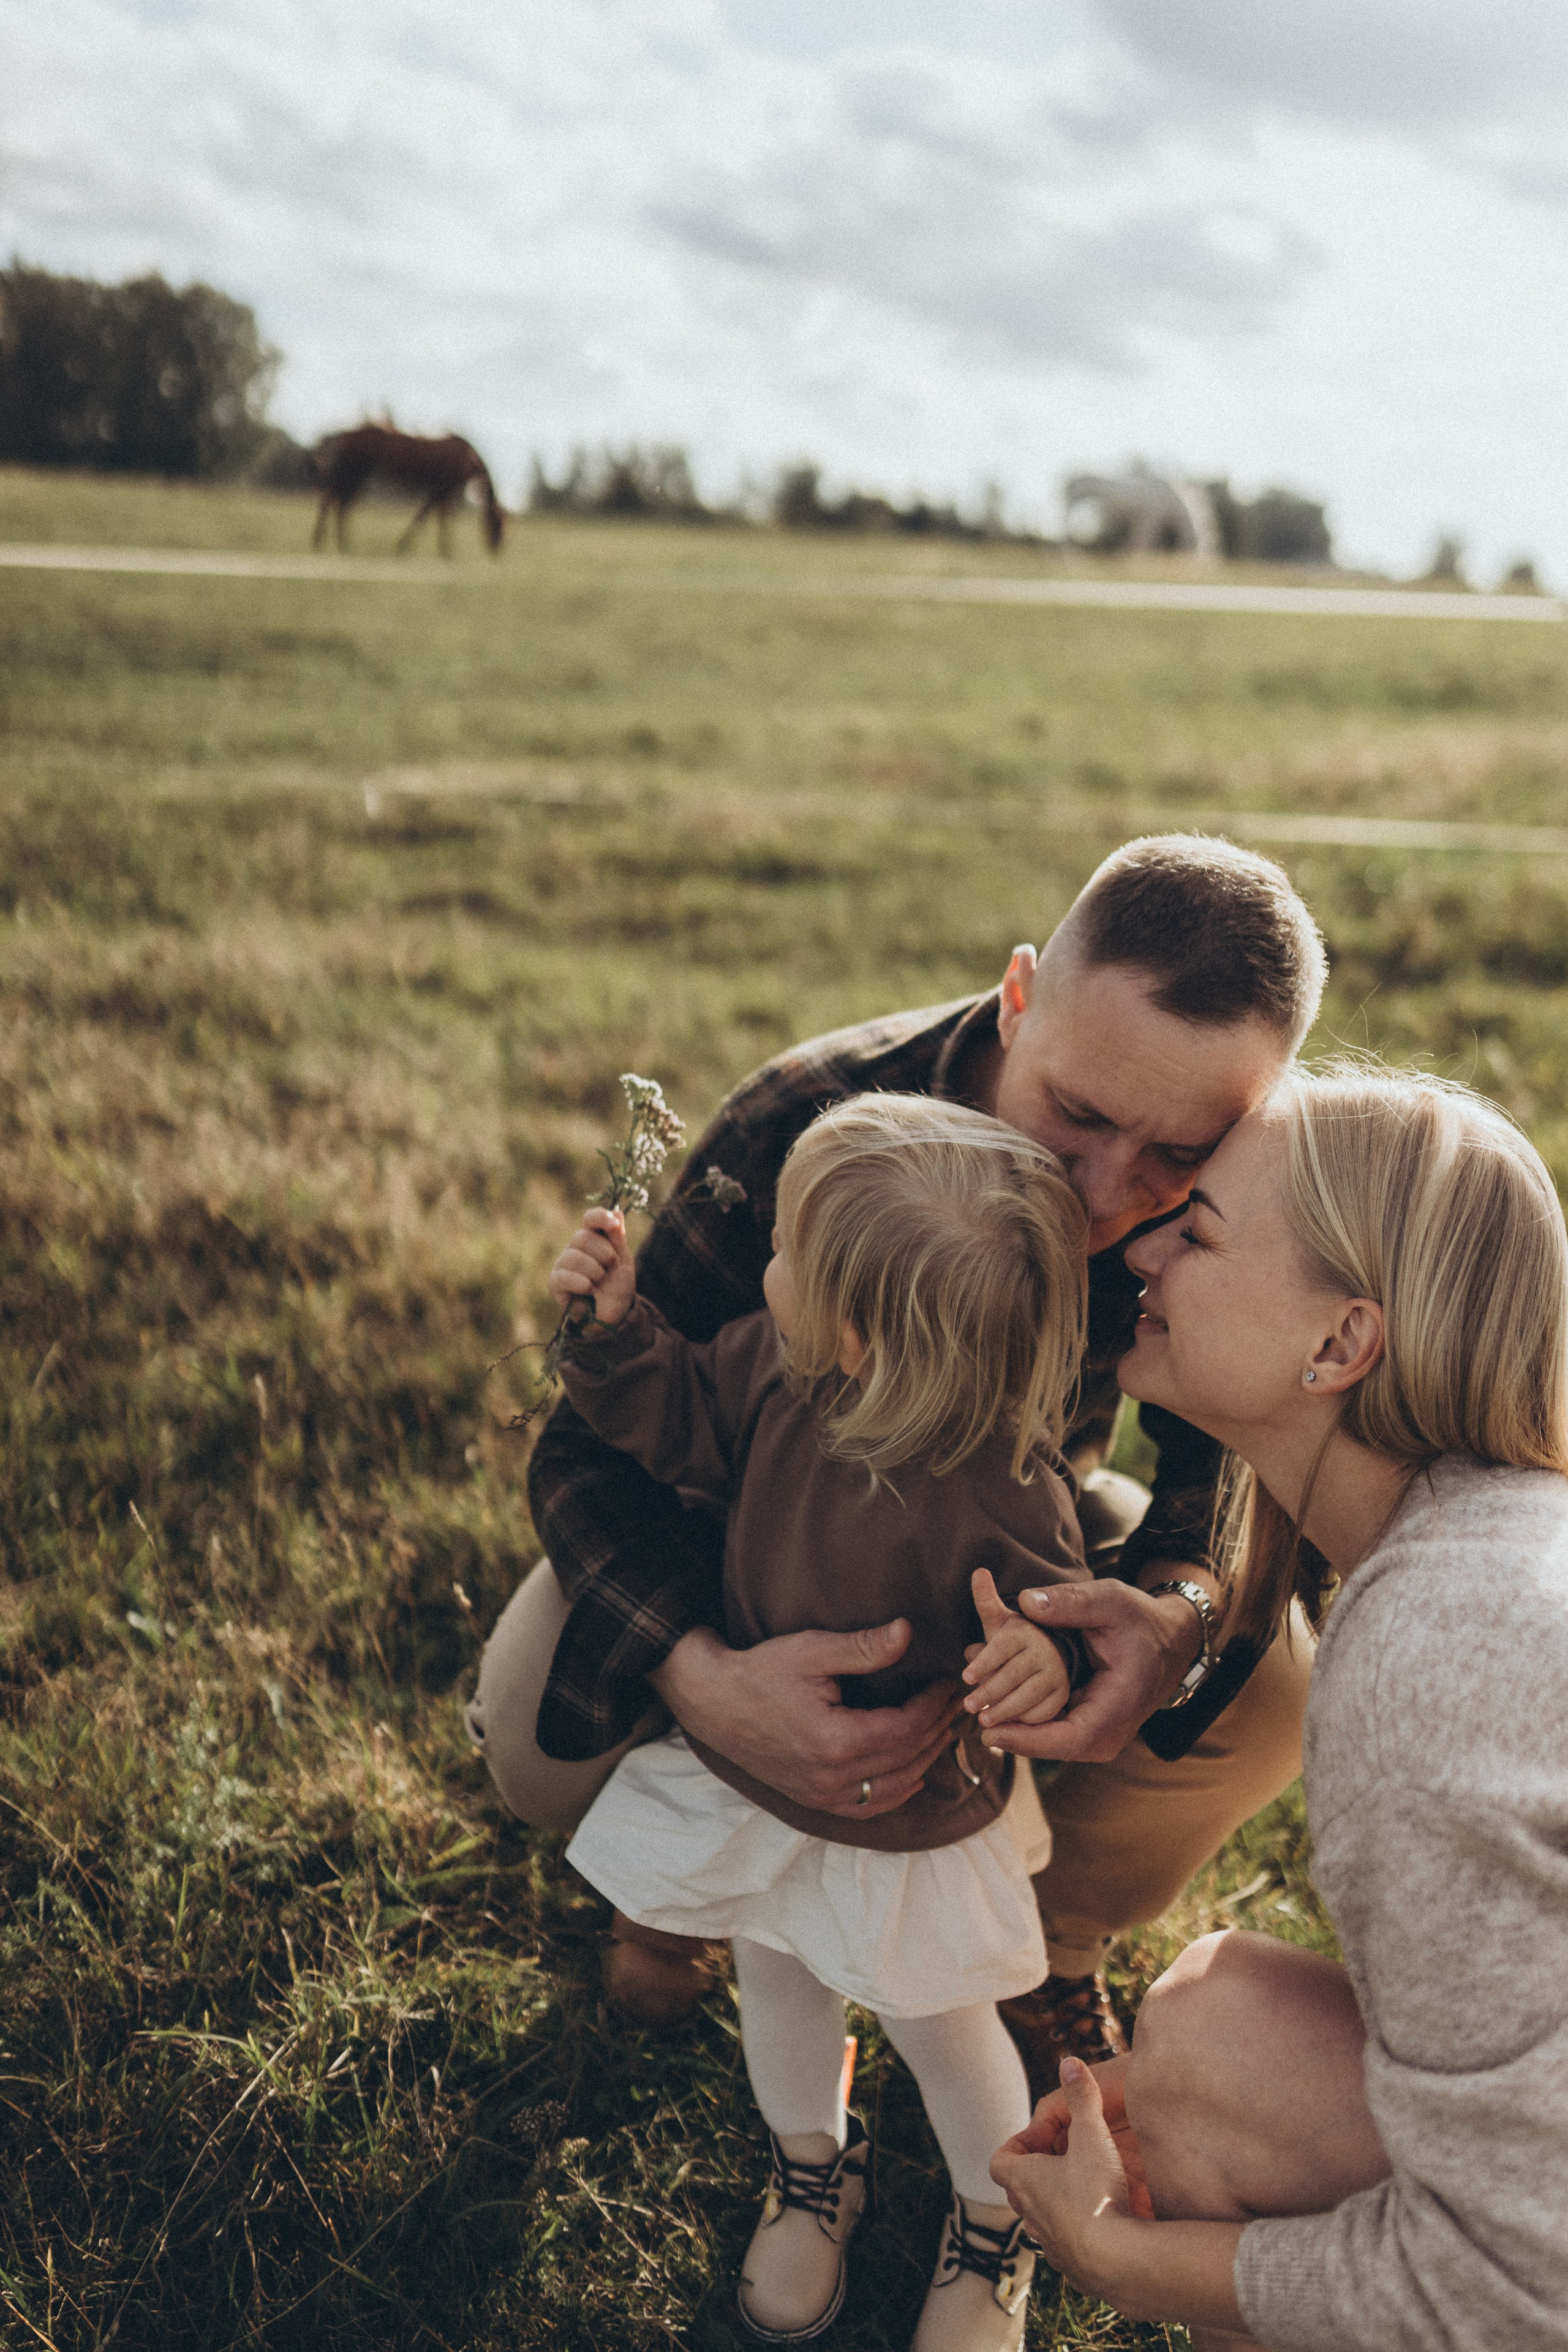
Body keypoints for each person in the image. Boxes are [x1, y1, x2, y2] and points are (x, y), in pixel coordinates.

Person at [467, 835, 1328, 2089]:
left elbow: (1229, 1470)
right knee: (539, 1738)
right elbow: (592, 1444)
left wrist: (1168, 1618)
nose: (1100, 1196)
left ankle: (1044, 1940)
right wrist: (701, 1673)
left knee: (1267, 1688)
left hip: (1002, 1548)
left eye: (1172, 1158)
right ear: (1019, 995)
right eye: (1075, 1116)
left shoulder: (1250, 1184)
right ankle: (695, 1882)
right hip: (754, 1528)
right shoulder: (808, 1122)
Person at [992, 1063, 1568, 2351]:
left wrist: (1119, 2257)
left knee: (1215, 2059)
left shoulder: (1431, 1665)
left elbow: (1516, 2291)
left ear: (1337, 1345)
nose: (1136, 1245)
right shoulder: (1488, 1543)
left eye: (1193, 1231)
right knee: (1206, 2038)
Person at [549, 1094, 1092, 2349]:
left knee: (939, 2024)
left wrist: (1039, 1663)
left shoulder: (1005, 1482)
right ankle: (811, 2167)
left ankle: (991, 2214)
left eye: (788, 1250)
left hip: (911, 1814)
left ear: (857, 1326)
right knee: (778, 1976)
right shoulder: (772, 1370)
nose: (766, 1267)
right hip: (765, 1779)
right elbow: (673, 1412)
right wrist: (616, 1331)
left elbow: (1055, 1616)